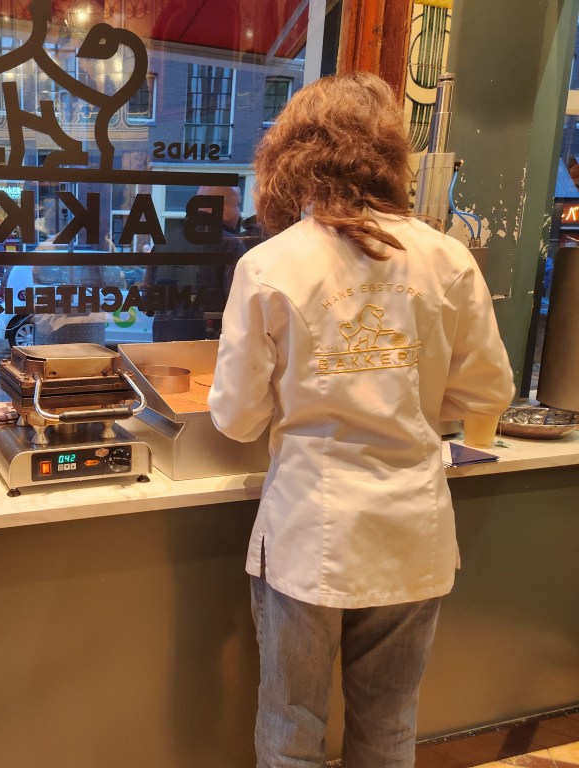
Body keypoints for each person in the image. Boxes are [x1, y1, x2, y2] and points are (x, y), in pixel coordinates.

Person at [207, 72, 515, 767]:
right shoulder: (446, 258)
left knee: (292, 724)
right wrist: (410, 396)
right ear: (390, 154)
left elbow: (236, 419)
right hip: (411, 530)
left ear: (292, 154)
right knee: (389, 724)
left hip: (309, 532)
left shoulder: (271, 264)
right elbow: (487, 390)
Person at [145, 185, 245, 341]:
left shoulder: (165, 241)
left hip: (164, 339)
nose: (239, 213)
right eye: (237, 205)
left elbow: (149, 303)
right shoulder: (230, 244)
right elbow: (239, 306)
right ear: (223, 208)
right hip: (209, 343)